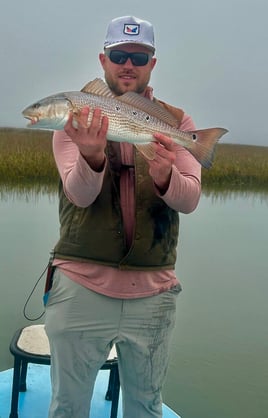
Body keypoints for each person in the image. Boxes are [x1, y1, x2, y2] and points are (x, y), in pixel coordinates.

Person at [45, 15, 201, 418]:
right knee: (68, 406)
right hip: (80, 286)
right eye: (119, 55)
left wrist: (167, 176)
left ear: (152, 63)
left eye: (138, 55)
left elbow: (189, 200)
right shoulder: (73, 118)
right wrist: (91, 156)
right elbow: (79, 196)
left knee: (146, 406)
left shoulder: (177, 121)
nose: (127, 63)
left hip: (153, 292)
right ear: (103, 59)